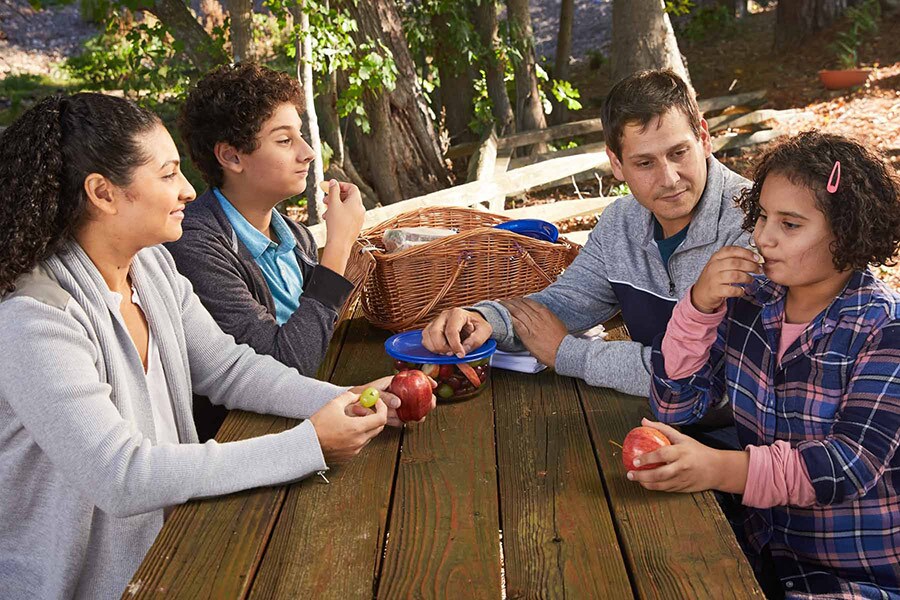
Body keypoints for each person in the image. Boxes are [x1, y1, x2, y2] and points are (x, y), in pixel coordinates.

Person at [0, 93, 428, 600]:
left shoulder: (152, 266)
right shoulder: (33, 318)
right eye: (167, 175)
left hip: (171, 556)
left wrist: (342, 397)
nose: (186, 191)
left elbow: (229, 368)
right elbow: (122, 475)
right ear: (103, 193)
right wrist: (308, 444)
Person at [636, 132, 900, 598]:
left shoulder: (884, 330)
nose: (762, 236)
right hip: (763, 549)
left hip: (859, 575)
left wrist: (720, 469)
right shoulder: (751, 303)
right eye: (761, 215)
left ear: (847, 231)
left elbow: (846, 466)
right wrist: (698, 307)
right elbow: (675, 406)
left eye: (790, 224)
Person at [421, 69, 750, 401]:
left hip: (748, 442)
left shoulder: (756, 225)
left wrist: (566, 354)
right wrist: (484, 318)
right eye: (645, 163)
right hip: (658, 422)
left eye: (678, 153)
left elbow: (712, 376)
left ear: (704, 138)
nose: (669, 178)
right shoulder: (620, 224)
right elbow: (565, 302)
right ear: (617, 164)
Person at [166, 63, 365, 440]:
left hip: (312, 421)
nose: (307, 153)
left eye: (301, 136)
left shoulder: (295, 237)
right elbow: (286, 366)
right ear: (232, 157)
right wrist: (339, 245)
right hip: (244, 445)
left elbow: (320, 331)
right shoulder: (196, 246)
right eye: (284, 140)